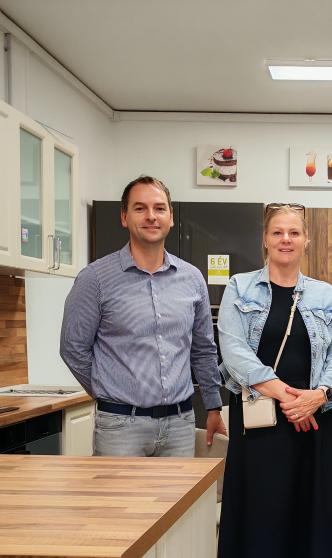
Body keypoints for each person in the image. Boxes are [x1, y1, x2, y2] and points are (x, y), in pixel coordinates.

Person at [216, 203, 332, 558]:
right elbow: (233, 351)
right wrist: (287, 396)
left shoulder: (325, 295)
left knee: (300, 516)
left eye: (294, 232)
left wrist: (318, 395)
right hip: (262, 423)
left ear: (306, 239)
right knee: (262, 517)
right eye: (278, 232)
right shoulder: (239, 288)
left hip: (314, 422)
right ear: (265, 239)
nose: (286, 240)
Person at [60, 175, 226, 457]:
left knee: (181, 490)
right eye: (140, 208)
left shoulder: (192, 278)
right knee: (119, 491)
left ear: (170, 217)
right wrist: (108, 390)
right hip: (120, 429)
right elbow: (73, 348)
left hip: (180, 425)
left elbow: (203, 349)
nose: (151, 216)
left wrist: (213, 407)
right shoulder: (94, 279)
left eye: (159, 208)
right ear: (124, 217)